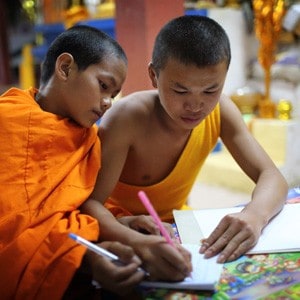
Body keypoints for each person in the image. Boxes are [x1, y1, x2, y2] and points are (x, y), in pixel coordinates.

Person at [82, 15, 288, 265]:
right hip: (123, 233)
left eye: (211, 90)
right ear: (154, 76)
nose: (196, 105)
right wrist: (134, 239)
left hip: (179, 230)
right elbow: (91, 205)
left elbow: (272, 176)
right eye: (180, 91)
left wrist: (255, 216)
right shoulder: (127, 119)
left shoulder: (221, 111)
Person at [0, 25, 145, 299]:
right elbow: (13, 225)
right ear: (65, 67)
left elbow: (71, 205)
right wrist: (87, 258)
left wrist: (120, 225)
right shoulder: (7, 122)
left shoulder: (88, 138)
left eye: (113, 95)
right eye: (103, 86)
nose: (108, 103)